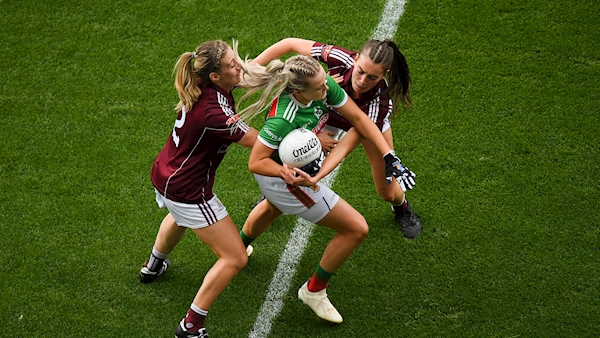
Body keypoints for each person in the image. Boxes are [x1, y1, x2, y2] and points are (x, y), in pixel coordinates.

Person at [235, 54, 411, 323]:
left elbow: (361, 120)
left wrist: (388, 154)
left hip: (290, 174)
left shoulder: (322, 84)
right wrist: (287, 172)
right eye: (320, 87)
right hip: (284, 179)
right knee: (356, 228)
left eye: (325, 82)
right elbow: (256, 162)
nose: (327, 88)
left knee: (271, 209)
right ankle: (314, 290)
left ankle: (239, 248)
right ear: (298, 91)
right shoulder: (282, 119)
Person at [139, 39, 258, 338]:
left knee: (177, 216)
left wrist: (278, 76)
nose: (239, 65)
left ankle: (153, 265)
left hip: (164, 173)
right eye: (233, 64)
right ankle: (190, 325)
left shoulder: (204, 86)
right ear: (215, 77)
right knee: (235, 258)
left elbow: (249, 73)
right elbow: (258, 141)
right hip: (189, 190)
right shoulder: (214, 113)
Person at [252, 37, 422, 239]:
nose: (362, 81)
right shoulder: (339, 60)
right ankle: (279, 192)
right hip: (330, 113)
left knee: (387, 191)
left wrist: (388, 155)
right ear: (356, 59)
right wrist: (252, 66)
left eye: (372, 77)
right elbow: (289, 43)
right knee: (294, 145)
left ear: (384, 75)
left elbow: (352, 133)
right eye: (360, 71)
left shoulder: (379, 99)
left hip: (365, 123)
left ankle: (401, 206)